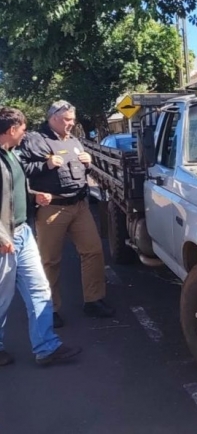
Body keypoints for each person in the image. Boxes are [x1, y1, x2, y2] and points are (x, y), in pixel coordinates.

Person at [18, 100, 114, 328]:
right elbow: (22, 168)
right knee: (50, 260)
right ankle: (49, 309)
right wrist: (46, 165)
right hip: (53, 208)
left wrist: (88, 163)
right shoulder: (36, 140)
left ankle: (93, 300)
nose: (71, 123)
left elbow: (80, 169)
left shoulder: (72, 140)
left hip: (80, 205)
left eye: (72, 119)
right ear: (53, 117)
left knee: (93, 251)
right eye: (67, 119)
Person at [0, 106, 81, 366]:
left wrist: (33, 195)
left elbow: (12, 190)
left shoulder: (11, 154)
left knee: (40, 289)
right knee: (2, 297)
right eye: (22, 129)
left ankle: (46, 347)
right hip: (5, 239)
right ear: (12, 129)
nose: (25, 135)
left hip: (22, 233)